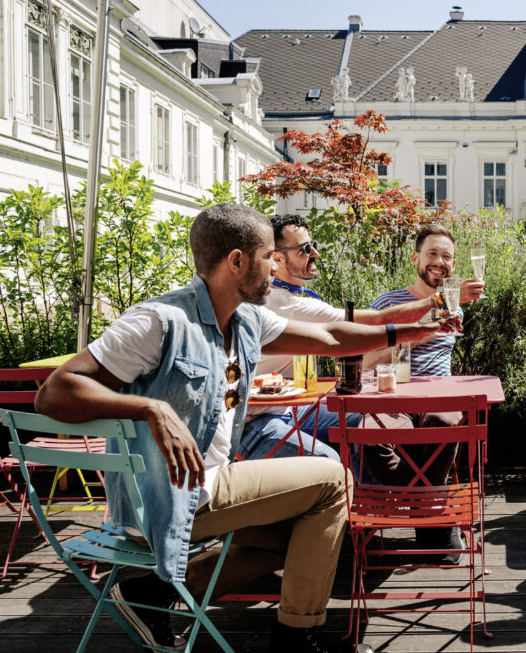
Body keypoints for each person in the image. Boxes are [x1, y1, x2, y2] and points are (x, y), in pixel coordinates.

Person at [34, 204, 453, 652]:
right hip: (168, 497)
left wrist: (405, 334)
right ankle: (297, 637)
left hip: (212, 487)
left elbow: (332, 336)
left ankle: (151, 594)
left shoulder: (247, 320)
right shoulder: (159, 322)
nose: (275, 266)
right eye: (268, 256)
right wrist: (150, 409)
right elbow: (54, 394)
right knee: (334, 480)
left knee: (292, 536)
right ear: (237, 261)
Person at [241, 213, 471, 462]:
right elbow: (374, 321)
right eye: (305, 249)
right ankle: (368, 497)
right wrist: (437, 305)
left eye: (314, 246)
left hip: (291, 406)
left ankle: (382, 498)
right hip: (258, 419)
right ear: (277, 258)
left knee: (373, 424)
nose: (316, 254)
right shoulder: (287, 305)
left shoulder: (291, 301)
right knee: (334, 458)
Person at [360, 223, 484, 562]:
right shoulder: (386, 303)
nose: (439, 261)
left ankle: (425, 513)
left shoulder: (454, 305)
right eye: (432, 253)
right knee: (370, 437)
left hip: (437, 397)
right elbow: (366, 363)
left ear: (453, 266)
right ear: (416, 258)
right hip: (392, 396)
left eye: (446, 256)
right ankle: (434, 515)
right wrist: (416, 333)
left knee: (447, 423)